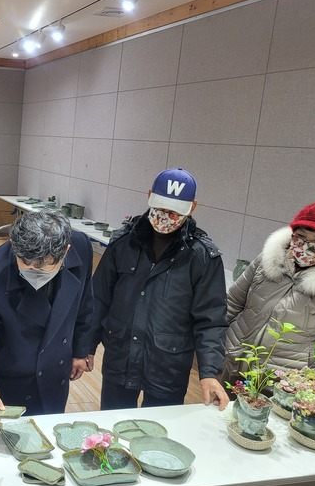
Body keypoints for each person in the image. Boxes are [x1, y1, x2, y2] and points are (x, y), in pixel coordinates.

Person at [90, 168, 229, 410]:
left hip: (168, 364)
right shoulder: (123, 243)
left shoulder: (202, 257)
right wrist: (85, 347)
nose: (166, 216)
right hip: (120, 354)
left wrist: (208, 372)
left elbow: (211, 320)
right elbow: (99, 299)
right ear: (149, 196)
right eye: (161, 208)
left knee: (159, 437)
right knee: (112, 428)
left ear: (192, 207)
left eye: (175, 211)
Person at [0, 210, 95, 416]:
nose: (33, 271)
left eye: (42, 269)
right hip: (12, 376)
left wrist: (80, 350)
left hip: (54, 373)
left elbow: (85, 301)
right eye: (26, 264)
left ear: (65, 252)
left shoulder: (81, 247)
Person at [224, 201, 315, 378]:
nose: (306, 246)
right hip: (236, 360)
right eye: (300, 237)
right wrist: (209, 342)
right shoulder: (266, 262)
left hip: (284, 379)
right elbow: (233, 302)